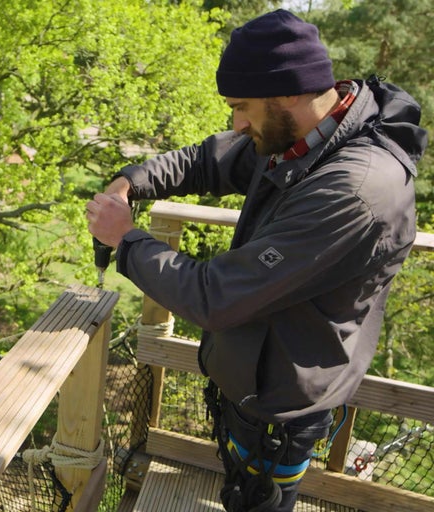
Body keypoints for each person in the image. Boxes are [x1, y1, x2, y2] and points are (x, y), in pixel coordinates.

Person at [86, 9, 428, 512]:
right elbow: (209, 160)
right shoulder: (306, 138)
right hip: (258, 382)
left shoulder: (354, 189)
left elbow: (215, 296)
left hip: (281, 410)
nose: (237, 123)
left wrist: (127, 239)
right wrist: (132, 180)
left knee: (259, 503)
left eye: (242, 106)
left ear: (290, 91)